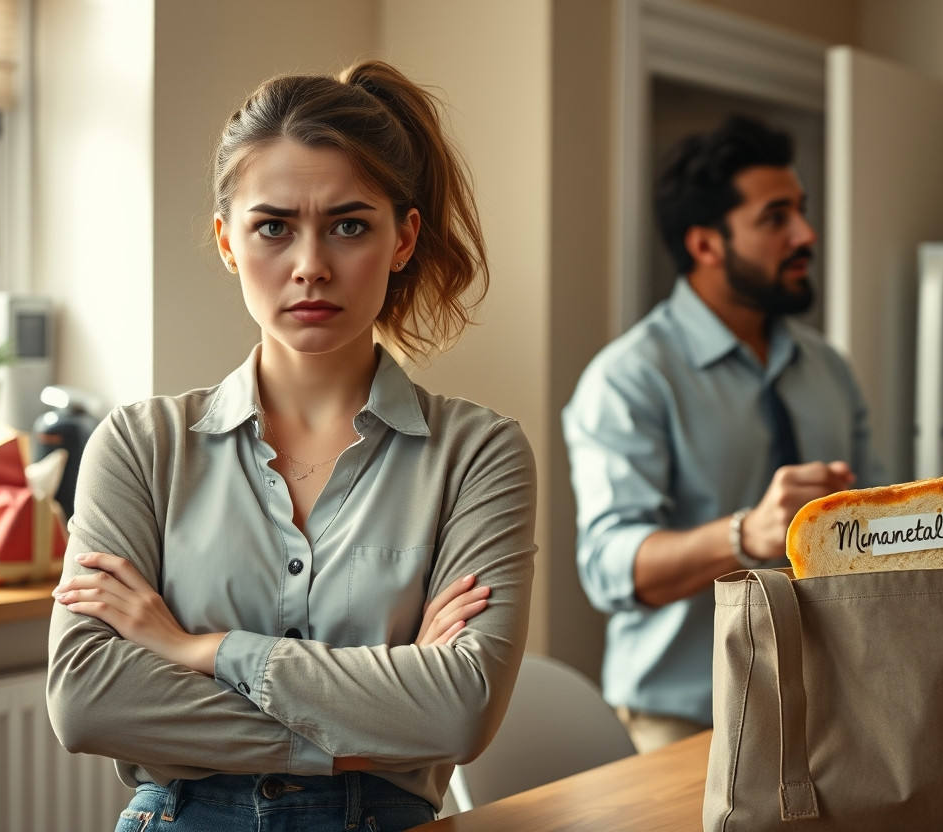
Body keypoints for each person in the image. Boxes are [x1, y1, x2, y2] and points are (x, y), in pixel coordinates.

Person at [46, 61, 536, 831]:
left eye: (349, 225)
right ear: (227, 241)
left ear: (403, 237)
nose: (311, 265)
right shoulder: (140, 448)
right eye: (273, 226)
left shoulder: (480, 454)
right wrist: (369, 727)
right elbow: (87, 699)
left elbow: (460, 711)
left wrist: (200, 649)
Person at [562, 114, 887, 753]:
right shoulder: (629, 379)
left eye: (802, 211)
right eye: (776, 218)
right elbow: (609, 568)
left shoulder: (828, 368)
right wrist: (748, 534)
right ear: (706, 244)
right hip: (686, 725)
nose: (806, 234)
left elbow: (878, 523)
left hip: (833, 710)